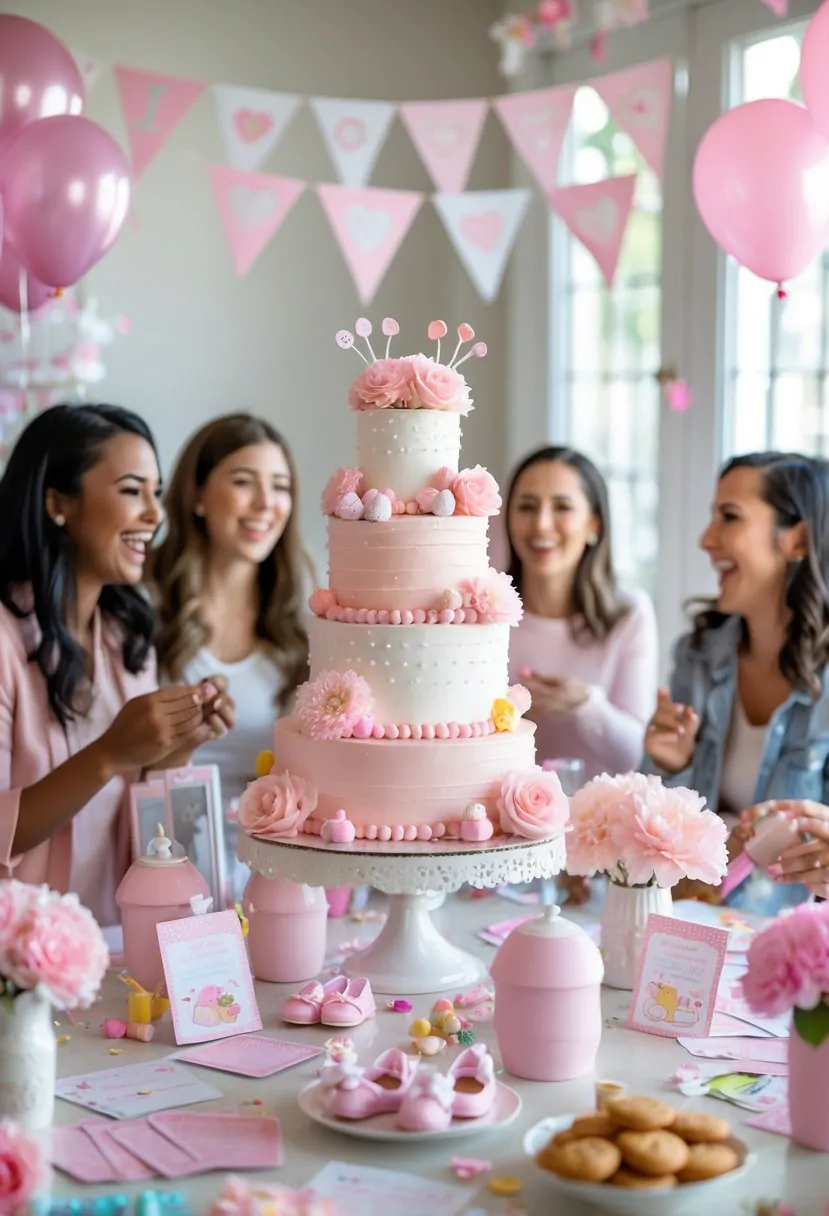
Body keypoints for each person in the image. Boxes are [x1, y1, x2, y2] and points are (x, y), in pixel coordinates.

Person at [0, 404, 233, 926]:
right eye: (132, 491)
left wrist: (181, 739)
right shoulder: (4, 639)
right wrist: (108, 754)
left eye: (156, 492)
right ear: (58, 503)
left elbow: (139, 817)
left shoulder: (126, 637)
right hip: (13, 959)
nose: (155, 514)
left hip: (106, 944)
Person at [644, 451, 829, 911]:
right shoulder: (698, 655)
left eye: (729, 517)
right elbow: (653, 836)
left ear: (798, 539)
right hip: (698, 929)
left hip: (800, 948)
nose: (707, 540)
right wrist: (672, 766)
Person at [149, 414, 310, 899]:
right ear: (196, 495)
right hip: (160, 861)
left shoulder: (301, 619)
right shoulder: (144, 603)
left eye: (280, 487)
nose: (266, 504)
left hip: (274, 873)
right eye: (244, 482)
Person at [506, 445, 658, 779]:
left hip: (598, 820)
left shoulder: (629, 614)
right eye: (527, 507)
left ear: (593, 524)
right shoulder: (486, 612)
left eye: (562, 507)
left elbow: (638, 756)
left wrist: (585, 704)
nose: (541, 524)